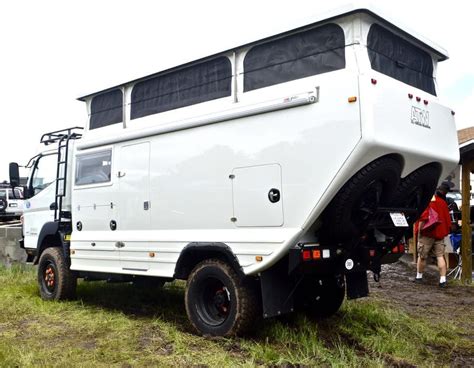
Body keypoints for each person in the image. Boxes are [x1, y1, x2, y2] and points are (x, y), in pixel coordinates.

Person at [414, 183, 452, 288]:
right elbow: (448, 220)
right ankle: (443, 280)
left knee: (422, 256)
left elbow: (423, 218)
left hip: (427, 233)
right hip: (439, 234)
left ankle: (419, 277)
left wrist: (419, 230)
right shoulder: (443, 203)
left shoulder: (428, 202)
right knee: (440, 256)